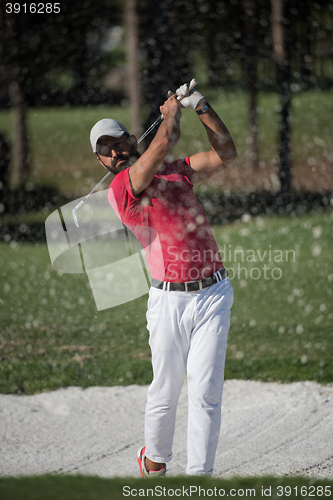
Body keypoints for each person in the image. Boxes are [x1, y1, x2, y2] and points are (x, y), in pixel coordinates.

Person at [89, 83, 237, 477]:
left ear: (130, 138)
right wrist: (171, 111)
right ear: (101, 161)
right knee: (166, 392)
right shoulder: (122, 189)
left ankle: (198, 479)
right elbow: (165, 139)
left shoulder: (176, 172)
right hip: (169, 301)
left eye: (118, 142)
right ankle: (154, 463)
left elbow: (227, 153)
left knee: (206, 395)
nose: (115, 152)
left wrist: (201, 106)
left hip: (214, 294)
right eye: (105, 150)